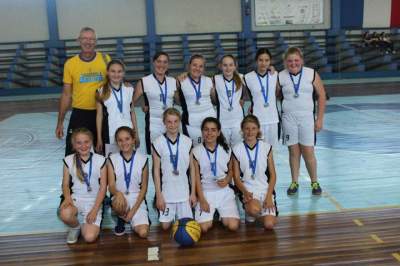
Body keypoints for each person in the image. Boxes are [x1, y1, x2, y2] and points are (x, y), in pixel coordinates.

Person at [276, 47, 326, 196]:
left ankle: (314, 182)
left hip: (307, 118)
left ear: (302, 60)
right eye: (290, 61)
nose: (293, 63)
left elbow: (322, 96)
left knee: (308, 151)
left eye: (296, 60)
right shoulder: (280, 76)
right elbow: (274, 96)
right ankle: (294, 181)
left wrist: (320, 119)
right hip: (288, 119)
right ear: (285, 62)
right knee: (293, 152)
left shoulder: (312, 74)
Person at [55, 27, 111, 156]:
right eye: (85, 38)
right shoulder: (70, 64)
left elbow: (114, 83)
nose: (88, 42)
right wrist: (60, 122)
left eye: (91, 39)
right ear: (78, 40)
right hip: (80, 114)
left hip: (102, 113)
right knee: (72, 154)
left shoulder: (105, 59)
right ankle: (71, 176)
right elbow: (66, 94)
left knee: (103, 154)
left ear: (96, 41)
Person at [58, 128, 107, 244]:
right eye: (79, 143)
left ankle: (87, 222)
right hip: (76, 199)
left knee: (89, 237)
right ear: (73, 145)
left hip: (94, 201)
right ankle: (75, 227)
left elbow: (103, 187)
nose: (83, 146)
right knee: (64, 213)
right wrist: (68, 198)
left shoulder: (101, 160)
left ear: (91, 142)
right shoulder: (68, 160)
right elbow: (65, 184)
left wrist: (95, 210)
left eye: (86, 142)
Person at [152, 108, 196, 230]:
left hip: (184, 192)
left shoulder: (187, 141)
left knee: (187, 227)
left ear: (180, 122)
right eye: (169, 122)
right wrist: (159, 195)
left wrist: (193, 193)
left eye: (175, 121)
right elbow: (156, 171)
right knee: (165, 227)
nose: (172, 125)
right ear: (164, 122)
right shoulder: (157, 142)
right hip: (167, 193)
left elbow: (192, 169)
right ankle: (158, 204)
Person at [193, 117, 240, 232]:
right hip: (206, 192)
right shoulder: (195, 151)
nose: (209, 133)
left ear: (218, 132)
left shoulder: (226, 149)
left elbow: (231, 171)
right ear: (202, 132)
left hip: (224, 192)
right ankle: (213, 213)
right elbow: (196, 179)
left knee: (233, 226)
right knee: (203, 228)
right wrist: (202, 199)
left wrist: (227, 179)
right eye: (206, 130)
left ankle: (220, 213)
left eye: (213, 130)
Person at [232, 115, 278, 230]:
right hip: (249, 190)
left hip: (265, 189)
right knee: (253, 209)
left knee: (269, 225)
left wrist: (268, 197)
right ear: (242, 130)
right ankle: (251, 210)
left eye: (253, 128)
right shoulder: (236, 149)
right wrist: (245, 192)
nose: (250, 131)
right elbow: (236, 177)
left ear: (258, 129)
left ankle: (256, 214)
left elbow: (273, 175)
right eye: (247, 128)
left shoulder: (266, 147)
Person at [107, 126, 149, 238]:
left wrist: (133, 211)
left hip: (137, 197)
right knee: (118, 203)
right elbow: (111, 185)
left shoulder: (143, 159)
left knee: (143, 233)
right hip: (120, 198)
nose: (124, 142)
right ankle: (121, 218)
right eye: (120, 140)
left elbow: (144, 188)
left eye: (127, 139)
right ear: (116, 142)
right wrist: (117, 193)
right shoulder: (112, 159)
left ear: (133, 140)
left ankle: (133, 217)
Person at [133, 52, 177, 154]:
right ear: (154, 63)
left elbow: (181, 101)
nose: (161, 65)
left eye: (165, 62)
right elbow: (130, 103)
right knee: (155, 156)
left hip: (171, 124)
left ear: (168, 64)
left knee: (172, 154)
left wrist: (185, 75)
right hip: (153, 125)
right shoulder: (144, 81)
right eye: (159, 61)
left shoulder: (173, 81)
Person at [95, 59, 139, 156]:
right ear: (107, 72)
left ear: (123, 73)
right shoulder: (101, 91)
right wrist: (99, 138)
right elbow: (99, 116)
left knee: (128, 162)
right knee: (112, 164)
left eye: (119, 71)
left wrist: (136, 134)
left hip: (128, 133)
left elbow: (132, 112)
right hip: (110, 133)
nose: (116, 74)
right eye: (113, 71)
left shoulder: (129, 89)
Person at [177, 54, 217, 145]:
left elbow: (215, 101)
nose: (197, 68)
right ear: (189, 66)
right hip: (191, 125)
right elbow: (174, 100)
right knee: (193, 152)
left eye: (201, 66)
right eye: (194, 65)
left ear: (204, 69)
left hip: (210, 123)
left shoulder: (209, 81)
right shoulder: (181, 81)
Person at [244, 48, 279, 147]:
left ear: (270, 61)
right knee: (258, 151)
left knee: (272, 152)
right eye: (260, 60)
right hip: (257, 121)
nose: (263, 63)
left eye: (267, 60)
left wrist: (273, 68)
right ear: (256, 61)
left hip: (273, 120)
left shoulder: (275, 75)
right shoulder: (247, 77)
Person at [213, 55, 245, 146]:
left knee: (237, 152)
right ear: (220, 66)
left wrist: (271, 67)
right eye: (225, 65)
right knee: (224, 152)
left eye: (231, 65)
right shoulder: (215, 79)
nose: (228, 68)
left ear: (235, 66)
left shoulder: (242, 78)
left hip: (238, 122)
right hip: (223, 122)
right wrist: (185, 75)